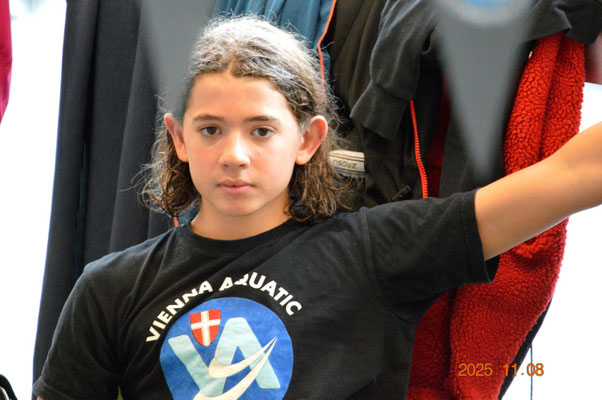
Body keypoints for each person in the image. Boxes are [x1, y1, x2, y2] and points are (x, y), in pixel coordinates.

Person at [33, 16, 602, 400]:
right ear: (178, 138)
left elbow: (575, 173)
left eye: (261, 130)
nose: (234, 155)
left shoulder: (377, 251)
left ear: (308, 140)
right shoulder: (109, 288)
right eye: (210, 130)